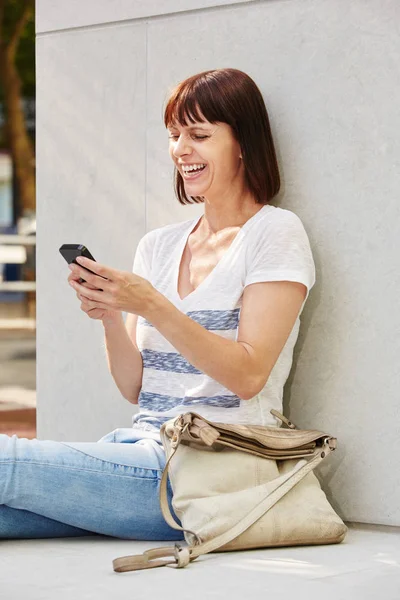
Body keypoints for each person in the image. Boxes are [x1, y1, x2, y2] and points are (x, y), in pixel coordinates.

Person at [0, 68, 315, 540]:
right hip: (137, 451)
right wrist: (109, 315)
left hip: (204, 472)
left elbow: (249, 376)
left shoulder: (275, 233)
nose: (180, 150)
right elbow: (134, 387)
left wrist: (152, 305)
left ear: (244, 142)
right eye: (174, 135)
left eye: (199, 135)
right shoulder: (159, 245)